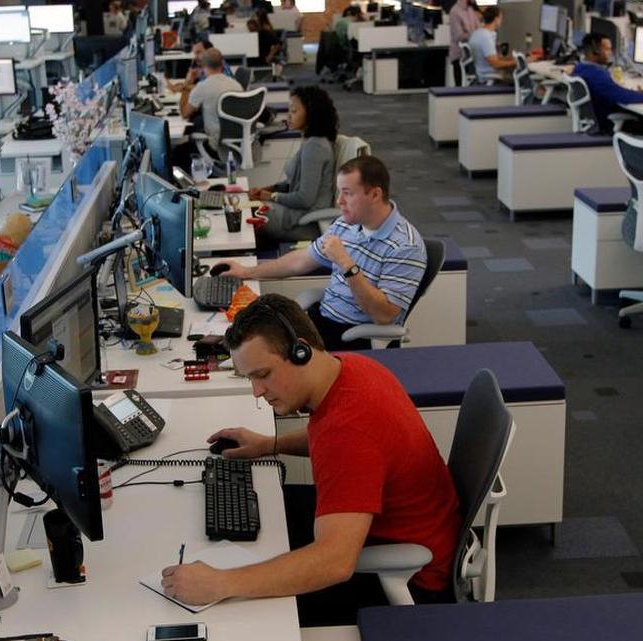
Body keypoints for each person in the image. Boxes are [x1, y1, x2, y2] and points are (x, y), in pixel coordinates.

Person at [159, 294, 461, 627]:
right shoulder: (350, 369)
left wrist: (220, 583)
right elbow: (341, 444)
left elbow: (334, 562)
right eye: (250, 379)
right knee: (267, 516)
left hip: (408, 580)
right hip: (393, 531)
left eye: (263, 374)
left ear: (300, 352)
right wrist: (269, 444)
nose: (256, 392)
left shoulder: (349, 432)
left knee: (239, 617)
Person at [212, 156, 427, 351]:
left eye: (348, 193)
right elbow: (299, 262)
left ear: (375, 194)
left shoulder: (405, 246)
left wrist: (346, 264)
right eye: (339, 192)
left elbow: (383, 315)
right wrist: (246, 271)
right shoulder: (347, 224)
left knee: (264, 354)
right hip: (322, 322)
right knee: (251, 337)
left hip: (352, 337)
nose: (339, 202)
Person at [248, 86, 337, 245]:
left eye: (294, 111)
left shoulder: (315, 147)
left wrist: (271, 196)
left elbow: (305, 198)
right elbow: (293, 184)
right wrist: (270, 189)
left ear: (311, 115)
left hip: (304, 222)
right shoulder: (311, 142)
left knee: (246, 215)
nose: (289, 115)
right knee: (245, 210)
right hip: (296, 215)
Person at [572, 33, 643, 133]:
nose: (611, 53)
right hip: (608, 124)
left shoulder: (580, 68)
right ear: (595, 52)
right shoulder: (596, 74)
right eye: (607, 49)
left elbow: (615, 91)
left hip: (599, 118)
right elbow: (622, 97)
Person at [174, 48, 243, 170]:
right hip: (235, 145)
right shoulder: (236, 85)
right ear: (222, 64)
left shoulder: (203, 87)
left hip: (214, 146)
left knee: (175, 153)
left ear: (202, 66)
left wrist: (186, 83)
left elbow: (184, 113)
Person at [467, 6, 528, 84]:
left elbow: (491, 57)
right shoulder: (486, 37)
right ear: (496, 19)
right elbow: (496, 64)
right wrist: (518, 62)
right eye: (501, 18)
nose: (502, 21)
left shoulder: (477, 33)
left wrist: (511, 58)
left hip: (482, 72)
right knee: (524, 78)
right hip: (489, 77)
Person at [448, 0, 482, 82]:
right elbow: (459, 36)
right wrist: (474, 34)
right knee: (461, 85)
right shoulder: (454, 11)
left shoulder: (471, 9)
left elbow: (479, 28)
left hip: (473, 52)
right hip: (460, 55)